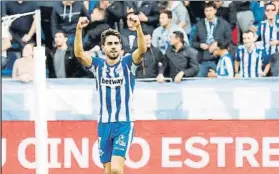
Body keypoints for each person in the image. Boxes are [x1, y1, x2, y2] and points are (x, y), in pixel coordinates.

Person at [74, 14, 147, 174]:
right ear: (103, 47)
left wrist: (138, 28)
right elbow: (79, 54)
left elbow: (142, 50)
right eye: (109, 44)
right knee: (107, 171)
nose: (113, 46)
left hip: (124, 123)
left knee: (115, 169)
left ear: (121, 47)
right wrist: (79, 29)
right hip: (104, 124)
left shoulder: (128, 64)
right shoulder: (98, 65)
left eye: (116, 43)